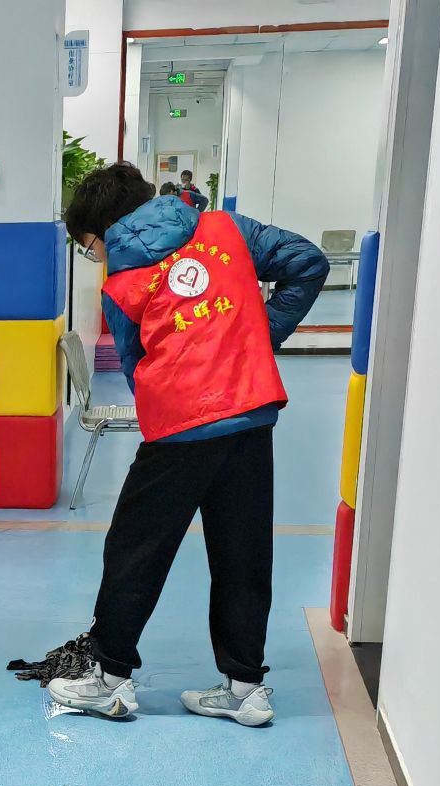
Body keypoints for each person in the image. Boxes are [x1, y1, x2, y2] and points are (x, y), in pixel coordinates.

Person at [46, 161, 326, 727]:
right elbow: (308, 262)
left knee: (135, 548)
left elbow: (135, 366)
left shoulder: (122, 281)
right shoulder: (227, 228)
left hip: (180, 427)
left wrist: (183, 387)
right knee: (243, 551)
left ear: (103, 230)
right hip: (249, 412)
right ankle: (246, 688)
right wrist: (258, 335)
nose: (94, 256)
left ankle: (110, 680)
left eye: (88, 246)